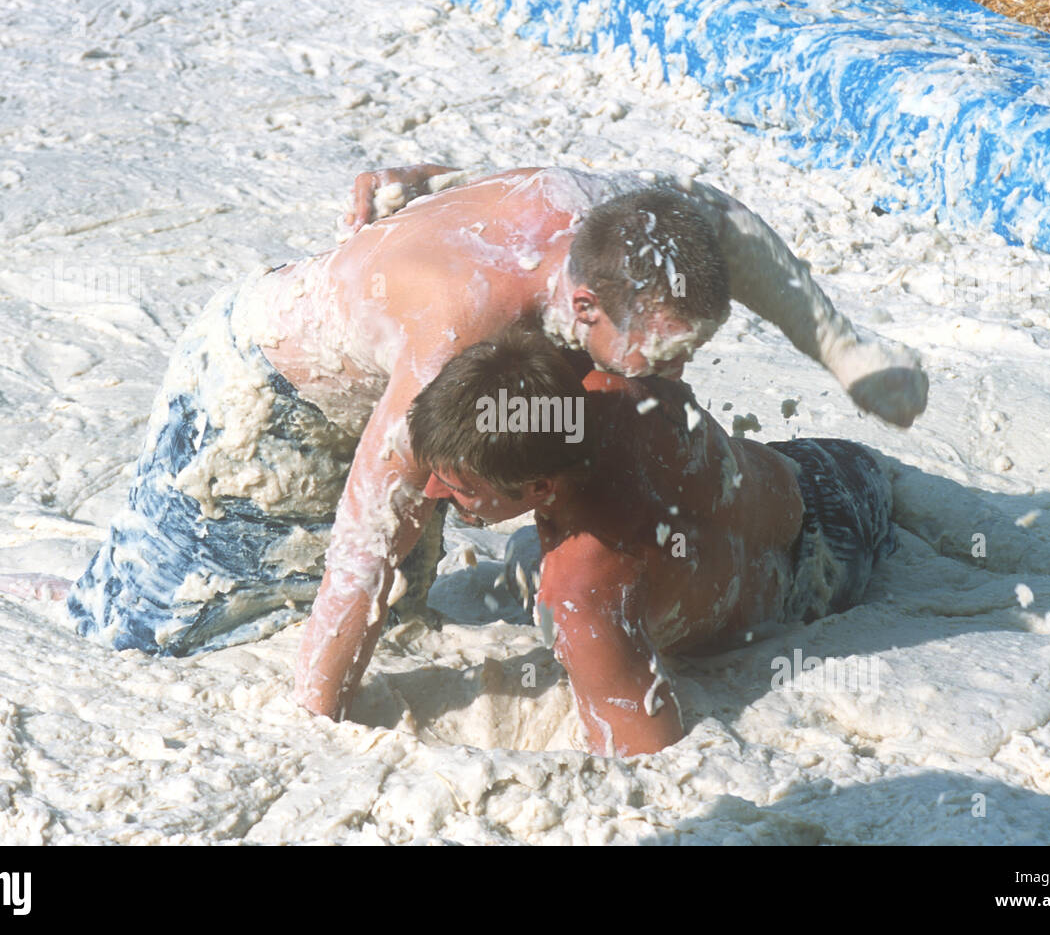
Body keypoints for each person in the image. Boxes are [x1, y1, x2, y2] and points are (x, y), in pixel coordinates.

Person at [64, 165, 924, 716]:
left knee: (403, 611)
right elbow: (364, 539)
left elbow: (726, 223)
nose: (678, 372)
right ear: (582, 309)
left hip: (430, 323)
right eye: (665, 355)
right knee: (154, 630)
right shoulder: (454, 338)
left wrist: (851, 354)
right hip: (268, 390)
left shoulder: (630, 226)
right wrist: (315, 715)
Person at [407, 330, 897, 756]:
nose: (431, 490)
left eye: (461, 488)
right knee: (526, 554)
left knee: (534, 572)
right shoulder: (608, 381)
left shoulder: (583, 592)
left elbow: (652, 757)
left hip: (822, 573)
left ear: (540, 489)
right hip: (820, 467)